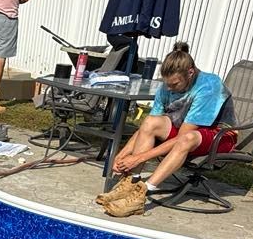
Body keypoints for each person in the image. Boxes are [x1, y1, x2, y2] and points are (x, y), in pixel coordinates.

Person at [97, 42, 236, 217]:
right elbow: (148, 127)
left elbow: (182, 137)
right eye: (167, 84)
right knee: (150, 121)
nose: (169, 89)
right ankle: (131, 181)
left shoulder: (208, 85)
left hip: (220, 136)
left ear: (190, 73)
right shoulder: (168, 84)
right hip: (187, 132)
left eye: (175, 84)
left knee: (187, 139)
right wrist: (124, 154)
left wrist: (138, 157)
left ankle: (141, 195)